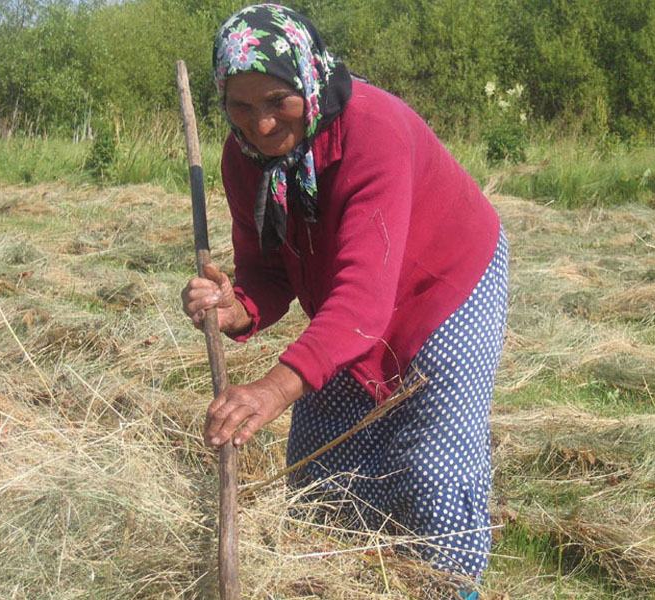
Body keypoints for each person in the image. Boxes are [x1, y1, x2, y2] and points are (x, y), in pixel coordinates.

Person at [181, 5, 508, 597]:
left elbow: (362, 303)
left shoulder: (372, 131)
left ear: (307, 79)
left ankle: (447, 586)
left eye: (277, 100)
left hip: (444, 284)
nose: (260, 124)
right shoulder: (243, 159)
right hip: (349, 303)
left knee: (431, 462)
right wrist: (236, 306)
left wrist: (272, 389)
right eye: (240, 106)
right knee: (320, 463)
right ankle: (337, 579)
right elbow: (267, 270)